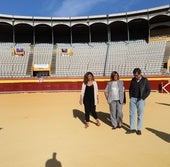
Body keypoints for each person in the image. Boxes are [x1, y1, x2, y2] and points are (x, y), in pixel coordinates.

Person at [126, 68, 151, 135]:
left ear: (140, 74)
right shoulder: (133, 79)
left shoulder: (145, 80)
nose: (135, 77)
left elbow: (148, 90)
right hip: (133, 99)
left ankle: (139, 129)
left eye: (136, 75)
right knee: (132, 114)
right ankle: (132, 128)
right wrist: (130, 97)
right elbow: (130, 88)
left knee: (140, 115)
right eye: (134, 75)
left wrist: (143, 98)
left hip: (140, 100)